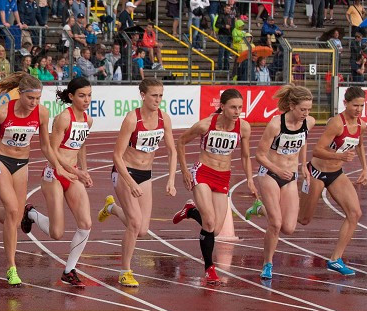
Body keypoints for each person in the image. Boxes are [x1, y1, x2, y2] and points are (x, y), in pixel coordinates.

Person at [0, 72, 70, 287]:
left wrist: (58, 165)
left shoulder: (42, 114)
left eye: (38, 99)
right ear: (20, 94)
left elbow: (45, 146)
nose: (34, 103)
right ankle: (11, 267)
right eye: (30, 98)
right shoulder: (2, 112)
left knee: (14, 219)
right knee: (14, 210)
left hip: (21, 164)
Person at [97, 78, 177, 288]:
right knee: (134, 223)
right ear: (143, 95)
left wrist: (170, 179)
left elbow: (171, 150)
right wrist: (130, 181)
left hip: (146, 174)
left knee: (142, 230)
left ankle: (112, 208)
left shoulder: (164, 119)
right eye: (154, 95)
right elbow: (116, 155)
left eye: (161, 95)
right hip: (125, 171)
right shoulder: (132, 119)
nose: (158, 100)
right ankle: (125, 271)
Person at [172, 89, 257, 285]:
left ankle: (191, 211)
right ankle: (210, 268)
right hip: (202, 172)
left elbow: (245, 156)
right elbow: (181, 142)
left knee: (216, 230)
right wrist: (184, 171)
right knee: (209, 223)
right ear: (223, 106)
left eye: (240, 108)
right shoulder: (205, 125)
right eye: (233, 107)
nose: (237, 111)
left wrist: (250, 180)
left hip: (223, 177)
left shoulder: (243, 128)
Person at [19, 77, 96, 288]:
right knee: (56, 233)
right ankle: (31, 213)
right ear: (71, 97)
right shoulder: (63, 118)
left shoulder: (87, 120)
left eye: (89, 95)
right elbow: (52, 151)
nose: (86, 99)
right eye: (82, 96)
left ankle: (69, 270)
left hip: (73, 174)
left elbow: (80, 146)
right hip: (54, 174)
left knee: (86, 224)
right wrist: (71, 171)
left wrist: (84, 170)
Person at [298, 86, 367, 276]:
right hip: (317, 173)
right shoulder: (337, 124)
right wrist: (340, 154)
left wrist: (364, 168)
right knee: (303, 220)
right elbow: (316, 150)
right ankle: (265, 207)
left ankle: (336, 259)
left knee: (355, 213)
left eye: (362, 106)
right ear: (345, 103)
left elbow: (360, 144)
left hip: (336, 174)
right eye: (355, 105)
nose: (359, 110)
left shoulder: (362, 124)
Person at [254, 84, 315, 280]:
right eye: (302, 109)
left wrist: (304, 165)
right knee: (276, 223)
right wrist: (277, 169)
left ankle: (259, 208)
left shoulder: (309, 122)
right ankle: (267, 264)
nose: (306, 113)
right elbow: (260, 155)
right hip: (270, 174)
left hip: (291, 177)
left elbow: (303, 141)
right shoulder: (275, 125)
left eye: (308, 109)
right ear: (291, 106)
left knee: (289, 228)